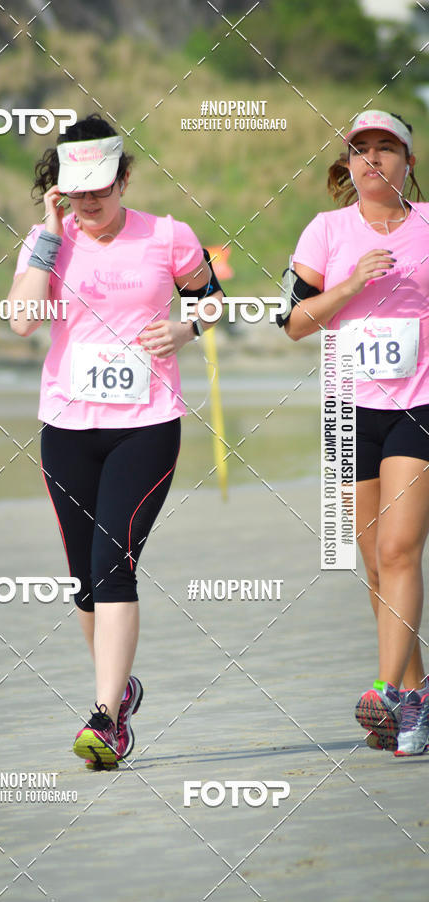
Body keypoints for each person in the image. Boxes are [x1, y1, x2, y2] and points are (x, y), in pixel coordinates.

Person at [7, 114, 222, 769]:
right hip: (68, 432)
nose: (90, 201)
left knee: (112, 565)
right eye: (76, 190)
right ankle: (119, 686)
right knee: (83, 583)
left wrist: (187, 329)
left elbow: (211, 298)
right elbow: (21, 319)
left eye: (102, 187)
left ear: (125, 178)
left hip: (146, 426)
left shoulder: (167, 236)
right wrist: (49, 231)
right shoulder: (49, 241)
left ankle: (106, 720)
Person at [280, 110, 429, 756]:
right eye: (361, 150)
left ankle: (386, 692)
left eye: (387, 149)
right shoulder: (325, 231)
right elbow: (292, 322)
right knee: (374, 564)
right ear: (347, 165)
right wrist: (349, 284)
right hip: (348, 412)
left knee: (399, 550)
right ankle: (417, 699)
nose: (374, 159)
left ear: (408, 163)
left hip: (419, 404)